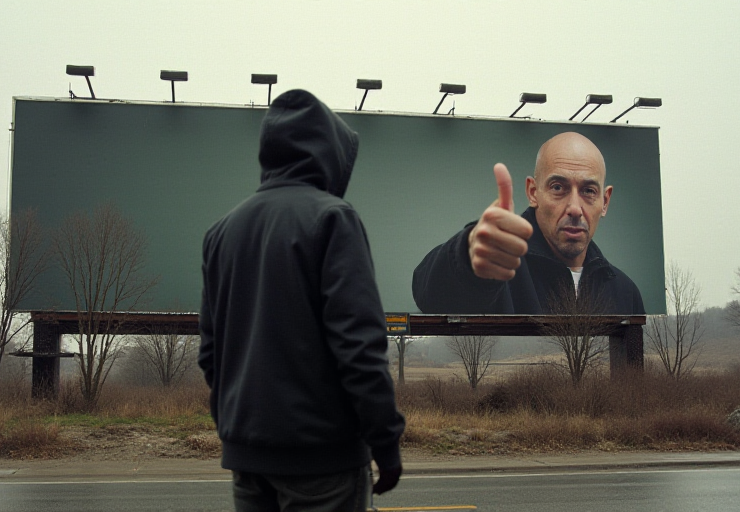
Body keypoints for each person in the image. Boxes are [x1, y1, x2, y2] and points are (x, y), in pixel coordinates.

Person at [199, 89, 405, 512]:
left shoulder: (221, 233)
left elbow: (211, 355)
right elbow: (359, 345)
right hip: (323, 458)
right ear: (330, 153)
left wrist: (237, 430)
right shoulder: (333, 218)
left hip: (246, 458)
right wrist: (384, 441)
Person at [412, 131, 644, 315]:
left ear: (604, 201)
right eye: (558, 187)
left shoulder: (625, 292)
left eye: (588, 191)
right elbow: (430, 294)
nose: (574, 208)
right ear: (533, 192)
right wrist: (467, 255)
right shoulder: (501, 270)